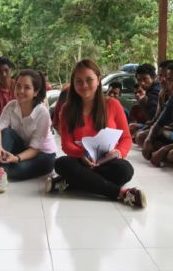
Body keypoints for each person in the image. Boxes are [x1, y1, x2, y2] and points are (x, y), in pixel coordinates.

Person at [46, 59, 146, 208]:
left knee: (125, 171)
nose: (84, 85)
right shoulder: (67, 109)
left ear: (98, 80)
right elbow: (66, 145)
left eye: (89, 80)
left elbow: (126, 138)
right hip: (81, 160)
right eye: (79, 81)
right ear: (73, 83)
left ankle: (70, 182)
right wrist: (82, 155)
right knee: (61, 163)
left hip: (107, 161)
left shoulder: (113, 104)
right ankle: (121, 193)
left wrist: (118, 152)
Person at [0, 70, 57, 193]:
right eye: (18, 86)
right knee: (7, 132)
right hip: (24, 148)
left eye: (27, 88)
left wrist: (16, 158)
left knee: (16, 172)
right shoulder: (12, 106)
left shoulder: (42, 113)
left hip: (43, 155)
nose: (20, 91)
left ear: (36, 92)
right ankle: (0, 172)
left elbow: (35, 149)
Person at [134, 60, 173, 147]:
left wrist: (143, 104)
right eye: (160, 76)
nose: (142, 83)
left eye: (167, 76)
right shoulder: (162, 93)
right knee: (139, 134)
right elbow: (156, 119)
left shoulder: (155, 92)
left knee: (141, 136)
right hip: (164, 128)